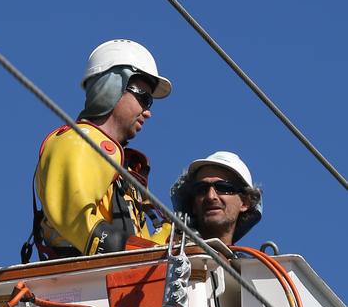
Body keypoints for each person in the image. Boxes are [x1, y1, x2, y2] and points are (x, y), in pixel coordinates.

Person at [24, 39, 172, 261]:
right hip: (85, 286)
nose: (147, 111)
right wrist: (139, 254)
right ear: (112, 86)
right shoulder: (77, 142)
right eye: (144, 98)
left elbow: (143, 247)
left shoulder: (123, 167)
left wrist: (169, 239)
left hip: (117, 283)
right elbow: (75, 219)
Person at [170, 151, 262, 245]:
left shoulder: (254, 260)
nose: (210, 196)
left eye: (223, 187)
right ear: (193, 204)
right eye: (201, 189)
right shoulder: (164, 253)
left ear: (245, 202)